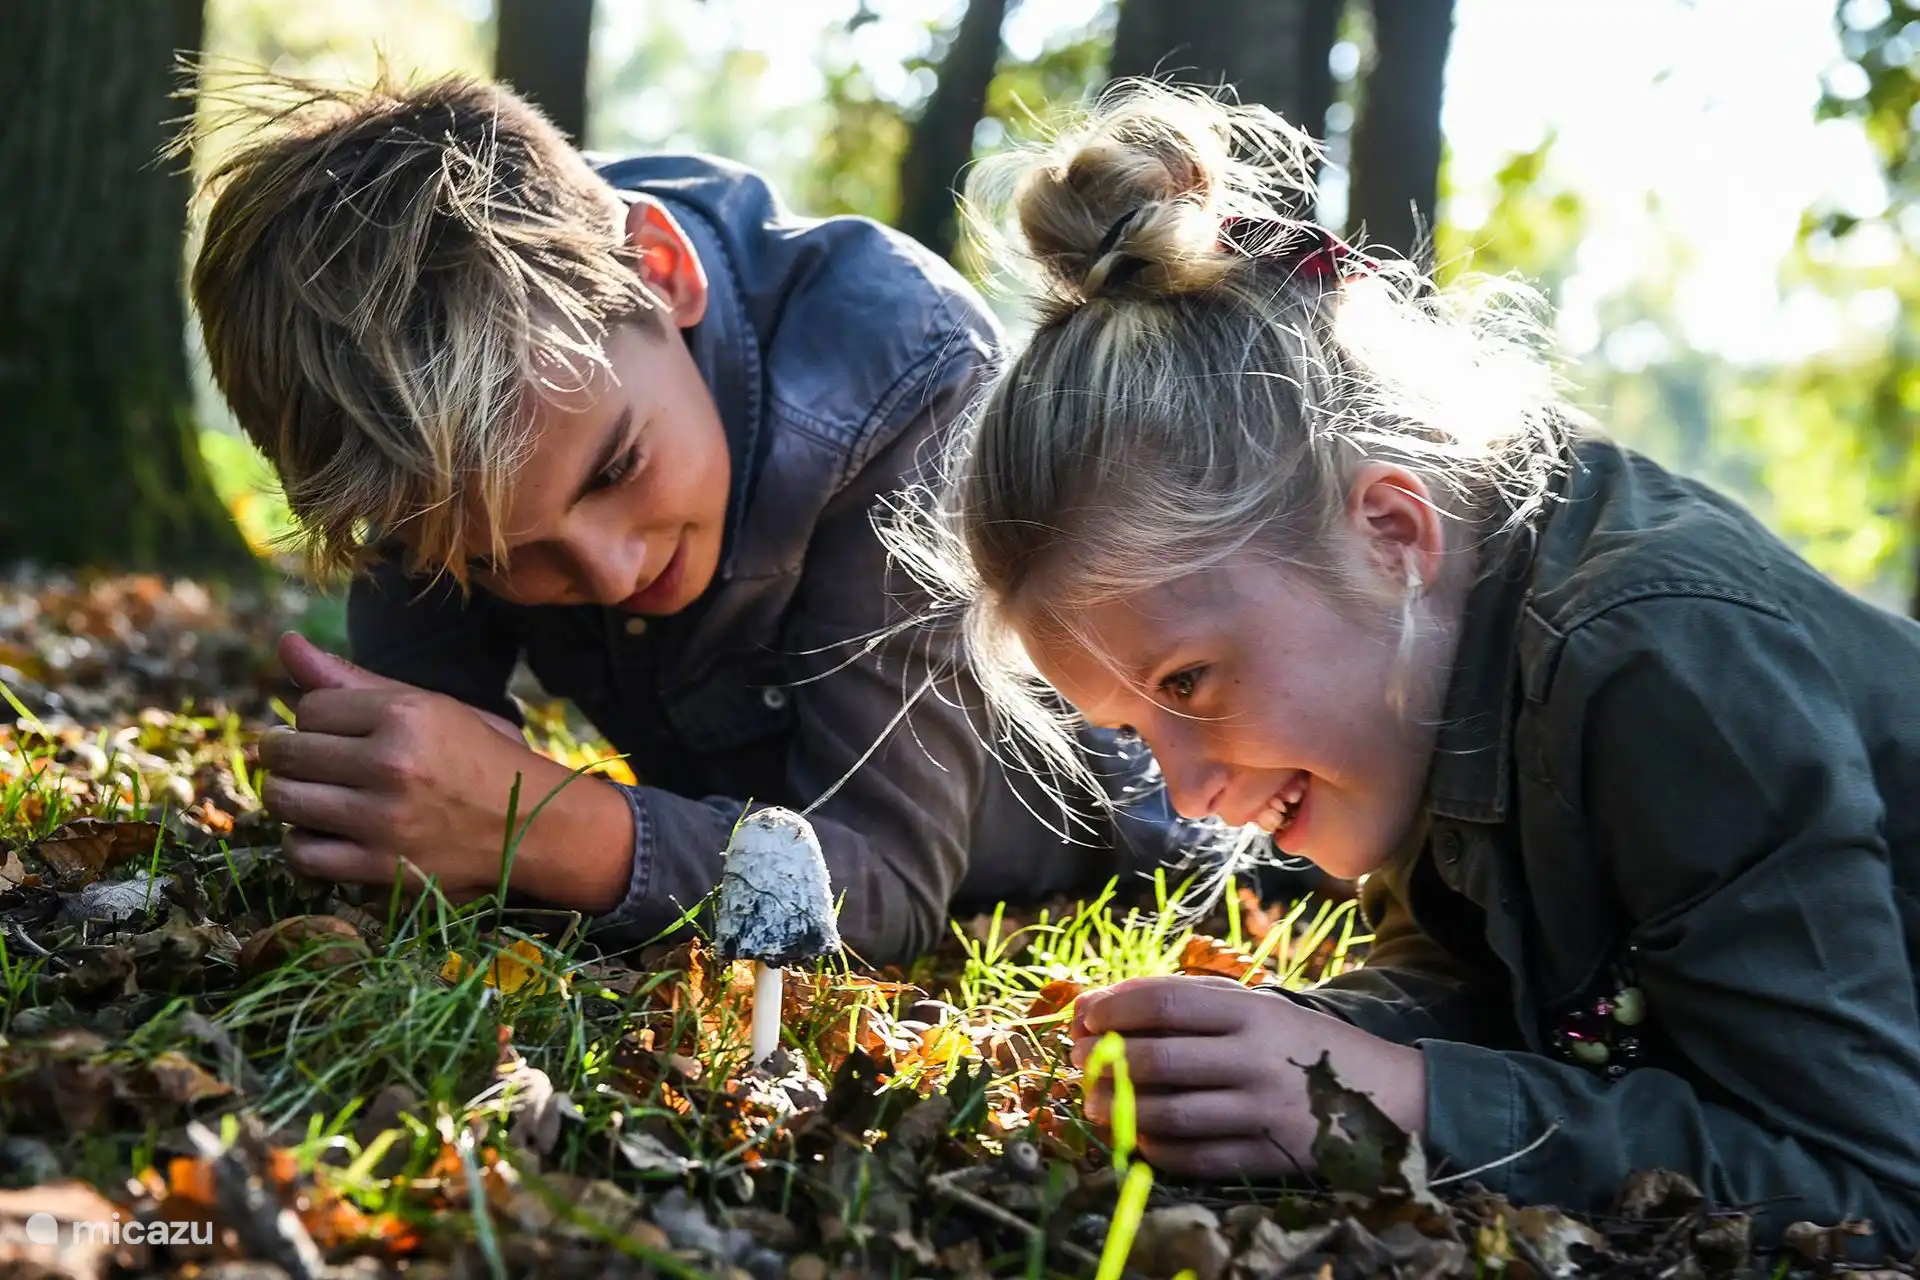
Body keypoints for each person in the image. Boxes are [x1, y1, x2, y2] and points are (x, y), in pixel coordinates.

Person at [886, 82, 1920, 1250]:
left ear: (1392, 531)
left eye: (1187, 684)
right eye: (1132, 729)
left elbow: (1868, 1184)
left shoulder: (1657, 662)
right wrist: (1305, 1051)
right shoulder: (1424, 661)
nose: (1184, 791)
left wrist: (1401, 1096)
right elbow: (1496, 965)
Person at [183, 70, 1235, 966]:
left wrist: (539, 825)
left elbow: (886, 885)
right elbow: (411, 791)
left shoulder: (904, 381)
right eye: (507, 558)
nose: (603, 566)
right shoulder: (409, 417)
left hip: (1161, 834)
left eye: (616, 467)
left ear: (663, 271)